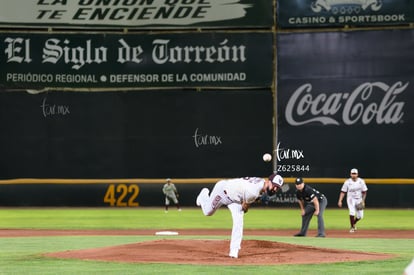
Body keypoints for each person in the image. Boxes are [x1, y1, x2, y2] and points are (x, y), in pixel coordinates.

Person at [196, 173, 284, 259]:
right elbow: (244, 208)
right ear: (269, 181)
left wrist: (258, 198)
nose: (275, 189)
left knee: (238, 222)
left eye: (277, 188)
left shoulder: (262, 182)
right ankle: (204, 195)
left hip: (236, 200)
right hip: (222, 192)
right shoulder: (253, 192)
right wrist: (257, 199)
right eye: (274, 185)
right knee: (207, 212)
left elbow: (250, 194)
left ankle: (234, 252)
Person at [337, 168, 368, 233]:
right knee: (352, 212)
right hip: (351, 199)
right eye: (352, 174)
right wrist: (340, 200)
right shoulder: (347, 182)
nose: (354, 175)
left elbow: (364, 192)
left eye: (355, 174)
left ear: (357, 174)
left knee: (360, 216)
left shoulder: (361, 181)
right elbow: (343, 192)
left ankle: (354, 223)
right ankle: (352, 227)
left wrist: (363, 201)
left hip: (359, 199)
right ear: (350, 174)